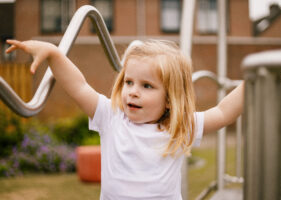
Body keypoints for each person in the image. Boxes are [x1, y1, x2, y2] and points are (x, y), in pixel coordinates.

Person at [6, 39, 243, 200]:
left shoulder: (179, 126)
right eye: (129, 82)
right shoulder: (111, 117)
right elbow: (78, 86)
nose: (133, 91)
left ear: (170, 98)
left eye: (147, 85)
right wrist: (53, 53)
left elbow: (222, 113)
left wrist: (252, 84)